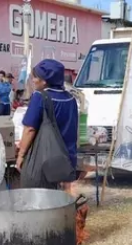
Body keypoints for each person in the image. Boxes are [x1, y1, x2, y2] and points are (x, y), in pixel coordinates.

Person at [16, 60, 78, 190]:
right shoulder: (71, 99)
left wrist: (21, 155)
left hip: (45, 162)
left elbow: (30, 129)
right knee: (63, 202)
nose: (33, 80)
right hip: (67, 161)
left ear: (45, 80)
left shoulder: (40, 96)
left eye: (35, 77)